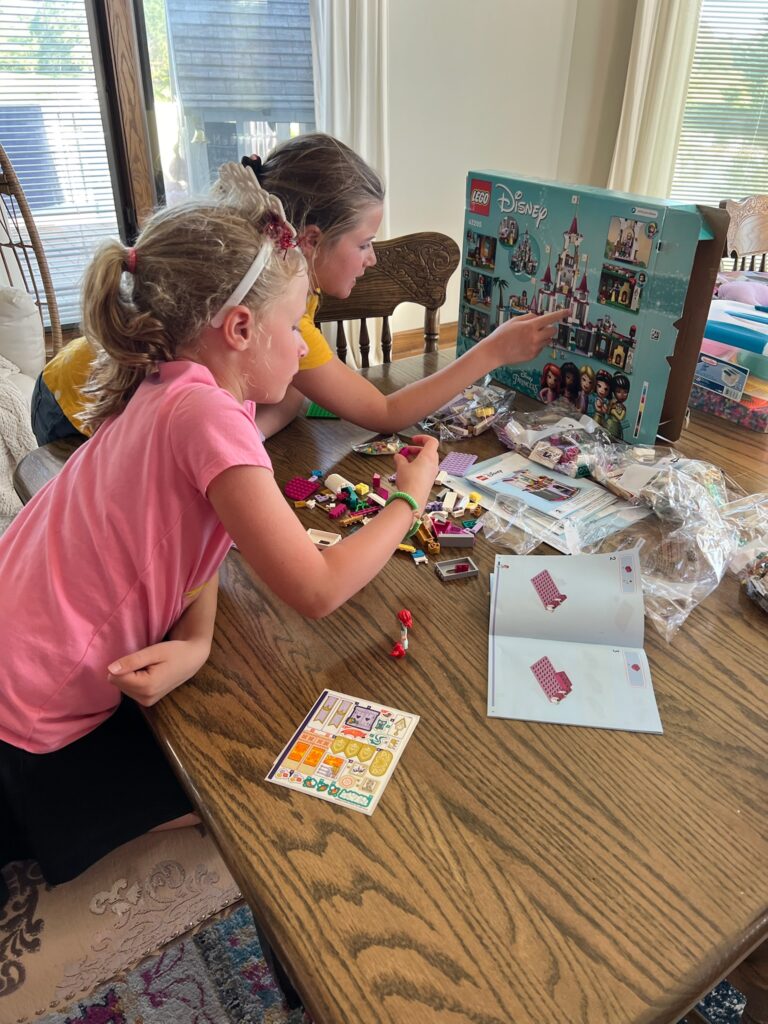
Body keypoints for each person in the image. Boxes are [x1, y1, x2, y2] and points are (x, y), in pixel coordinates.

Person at [0, 176, 446, 909]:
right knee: (246, 790)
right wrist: (409, 497)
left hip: (17, 661)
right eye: (296, 323)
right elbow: (317, 590)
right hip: (27, 734)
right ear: (239, 329)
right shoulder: (208, 417)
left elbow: (195, 538)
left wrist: (199, 639)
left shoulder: (171, 383)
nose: (304, 342)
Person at [31, 133, 567, 446]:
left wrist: (245, 435)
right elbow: (384, 414)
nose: (373, 257)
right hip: (77, 408)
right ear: (308, 240)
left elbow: (287, 392)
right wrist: (492, 351)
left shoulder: (280, 288)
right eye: (364, 243)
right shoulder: (264, 305)